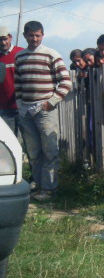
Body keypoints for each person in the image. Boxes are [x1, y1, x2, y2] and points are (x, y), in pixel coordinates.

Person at [15, 21, 72, 201]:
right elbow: (17, 84)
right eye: (31, 35)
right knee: (33, 152)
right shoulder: (20, 57)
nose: (34, 39)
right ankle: (38, 187)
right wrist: (19, 103)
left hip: (44, 109)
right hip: (26, 110)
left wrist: (51, 102)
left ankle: (49, 189)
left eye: (38, 35)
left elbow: (66, 82)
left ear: (42, 35)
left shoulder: (51, 54)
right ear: (25, 36)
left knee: (50, 150)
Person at [0, 26, 24, 135]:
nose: (3, 42)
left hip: (23, 106)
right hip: (4, 108)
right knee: (9, 141)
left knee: (29, 140)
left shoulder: (22, 53)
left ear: (10, 37)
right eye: (0, 40)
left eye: (5, 38)